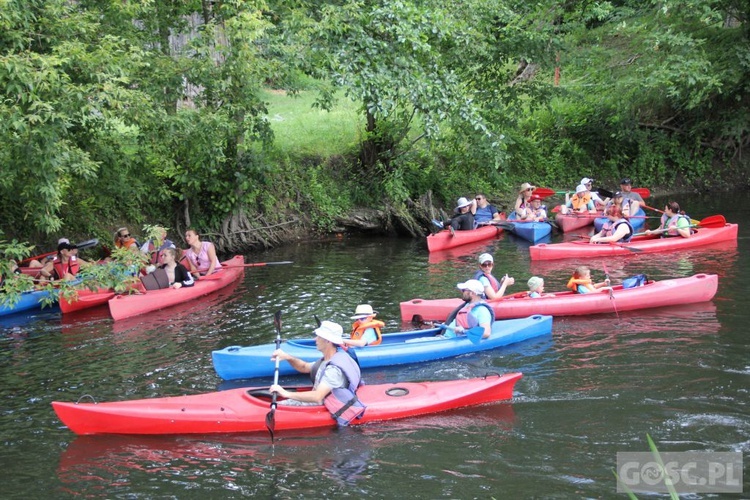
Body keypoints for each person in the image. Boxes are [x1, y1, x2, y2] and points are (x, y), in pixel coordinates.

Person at [270, 321, 366, 426]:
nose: (314, 339)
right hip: (320, 398)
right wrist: (287, 357)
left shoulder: (333, 370)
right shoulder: (329, 359)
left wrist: (285, 393)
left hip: (322, 403)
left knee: (275, 405)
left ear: (328, 341)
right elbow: (304, 367)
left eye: (318, 337)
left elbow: (317, 396)